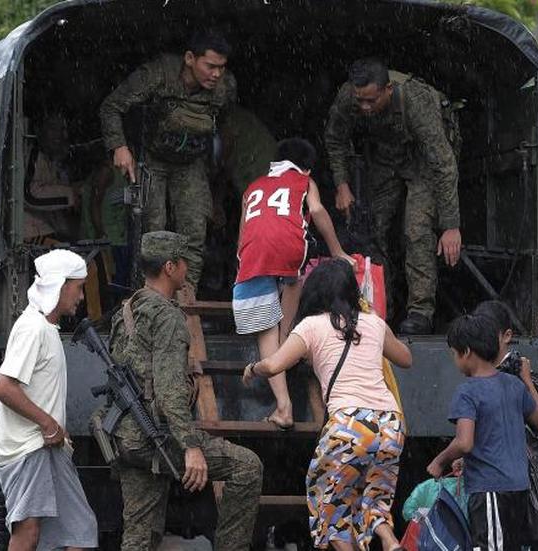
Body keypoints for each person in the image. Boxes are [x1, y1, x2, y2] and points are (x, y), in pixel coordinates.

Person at [242, 258, 412, 551]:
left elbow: (274, 364)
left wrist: (252, 369)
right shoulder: (373, 323)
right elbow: (406, 359)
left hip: (350, 424)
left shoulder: (312, 326)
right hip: (390, 425)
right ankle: (390, 540)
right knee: (373, 496)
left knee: (326, 498)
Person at [109, 231, 262, 551]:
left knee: (140, 533)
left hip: (127, 436)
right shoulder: (167, 316)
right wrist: (191, 447)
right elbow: (168, 389)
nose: (188, 268)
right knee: (247, 467)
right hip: (154, 436)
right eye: (184, 262)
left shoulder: (128, 309)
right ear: (169, 267)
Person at [324, 58, 462, 334]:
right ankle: (379, 306)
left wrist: (450, 225)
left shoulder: (416, 100)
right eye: (359, 101)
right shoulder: (349, 95)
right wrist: (342, 185)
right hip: (387, 156)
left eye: (371, 101)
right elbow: (335, 139)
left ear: (388, 90)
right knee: (373, 228)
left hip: (424, 161)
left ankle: (420, 312)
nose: (364, 108)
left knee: (416, 229)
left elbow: (443, 164)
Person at [99, 29, 237, 298]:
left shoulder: (225, 87)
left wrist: (218, 166)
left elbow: (226, 125)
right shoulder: (158, 74)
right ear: (189, 58)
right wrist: (119, 146)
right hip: (153, 159)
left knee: (194, 230)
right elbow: (111, 106)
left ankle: (187, 300)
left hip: (191, 162)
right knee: (154, 231)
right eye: (210, 66)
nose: (216, 74)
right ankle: (151, 300)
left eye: (221, 67)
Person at [234, 138, 353, 430]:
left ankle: (283, 408)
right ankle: (288, 333)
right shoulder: (303, 180)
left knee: (266, 332)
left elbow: (242, 235)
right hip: (289, 249)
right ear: (307, 168)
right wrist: (337, 251)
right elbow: (318, 211)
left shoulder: (252, 189)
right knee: (293, 277)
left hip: (253, 256)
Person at [0, 249, 98, 551]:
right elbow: (2, 386)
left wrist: (58, 433)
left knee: (80, 532)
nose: (80, 296)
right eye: (78, 288)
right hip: (28, 449)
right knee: (27, 533)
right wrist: (49, 423)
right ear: (61, 285)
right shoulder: (32, 327)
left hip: (48, 447)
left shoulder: (47, 328)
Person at [426, 315, 538, 551]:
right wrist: (526, 380)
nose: (454, 360)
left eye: (454, 353)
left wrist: (439, 460)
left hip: (490, 489)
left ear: (467, 352)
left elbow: (464, 443)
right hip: (519, 488)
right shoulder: (514, 385)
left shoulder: (467, 391)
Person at [24, 113, 83, 242]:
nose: (59, 135)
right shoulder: (33, 155)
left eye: (62, 129)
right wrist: (71, 193)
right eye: (52, 128)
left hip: (45, 232)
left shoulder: (51, 159)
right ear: (40, 130)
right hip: (32, 233)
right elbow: (29, 195)